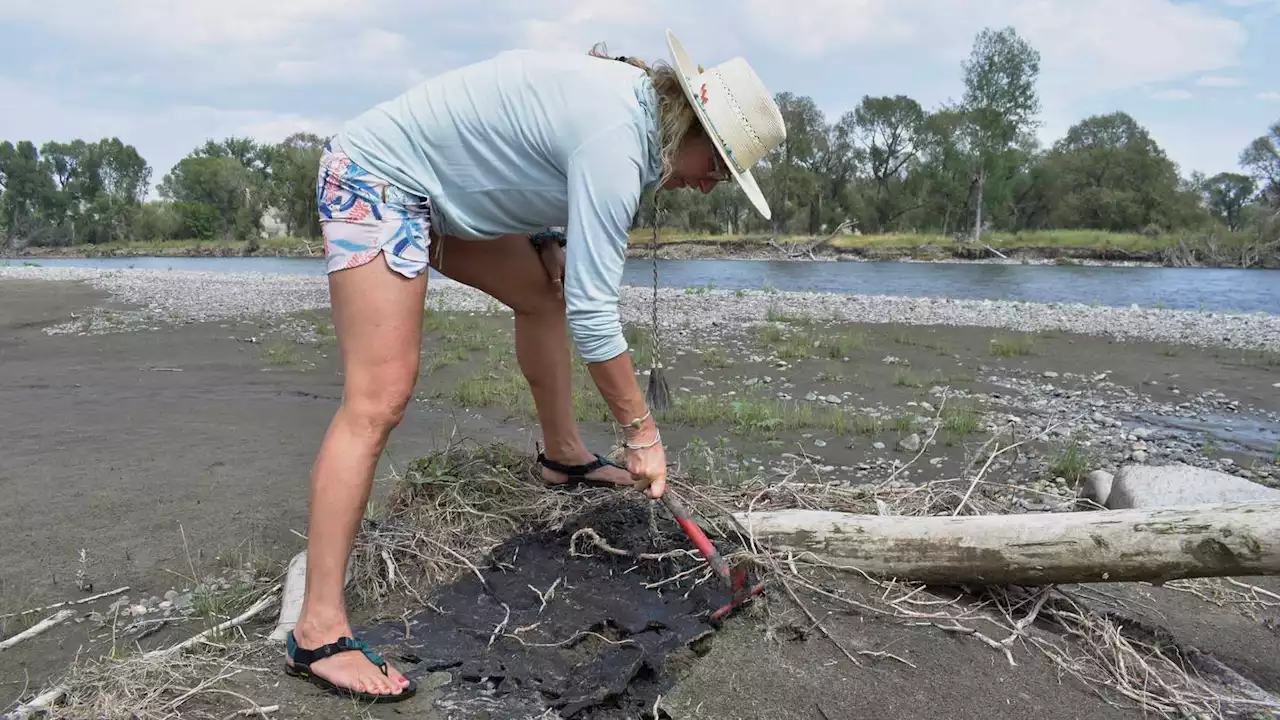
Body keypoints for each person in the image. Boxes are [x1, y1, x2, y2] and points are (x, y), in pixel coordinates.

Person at [284, 29, 785, 703]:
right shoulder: (618, 139)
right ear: (691, 123)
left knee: (540, 292)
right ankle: (317, 632)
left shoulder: (632, 112)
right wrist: (642, 432)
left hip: (436, 195)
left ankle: (564, 455)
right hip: (378, 179)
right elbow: (597, 313)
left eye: (724, 176)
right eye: (717, 164)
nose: (708, 184)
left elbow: (523, 149)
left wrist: (547, 236)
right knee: (379, 398)